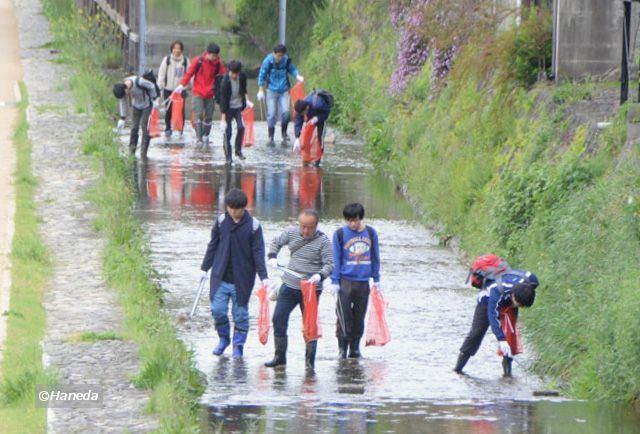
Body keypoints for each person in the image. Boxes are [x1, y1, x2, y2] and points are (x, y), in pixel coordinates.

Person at [200, 188, 269, 358]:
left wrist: (264, 276)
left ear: (243, 208)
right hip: (220, 276)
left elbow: (258, 252)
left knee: (240, 314)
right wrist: (204, 268)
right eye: (229, 208)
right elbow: (213, 245)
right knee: (218, 309)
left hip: (242, 278)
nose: (232, 211)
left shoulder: (253, 226)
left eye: (236, 209)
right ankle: (224, 339)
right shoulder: (221, 221)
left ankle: (238, 345)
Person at [264, 209, 334, 372]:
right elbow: (276, 242)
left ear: (316, 225)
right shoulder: (291, 233)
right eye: (303, 226)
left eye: (310, 227)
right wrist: (272, 256)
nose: (306, 230)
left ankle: (309, 363)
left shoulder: (323, 242)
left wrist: (319, 276)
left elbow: (330, 264)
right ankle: (279, 358)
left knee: (310, 326)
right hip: (289, 285)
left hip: (310, 289)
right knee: (278, 318)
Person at [454, 254, 538, 377]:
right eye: (518, 305)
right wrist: (501, 339)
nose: (518, 308)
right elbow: (493, 317)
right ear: (513, 296)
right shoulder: (495, 290)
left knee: (510, 335)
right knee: (476, 334)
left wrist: (506, 339)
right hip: (487, 303)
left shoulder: (531, 280)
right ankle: (458, 369)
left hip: (509, 297)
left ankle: (507, 375)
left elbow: (525, 293)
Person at [330, 203, 381, 359]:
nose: (352, 224)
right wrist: (335, 280)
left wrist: (376, 279)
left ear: (361, 218)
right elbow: (336, 259)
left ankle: (355, 349)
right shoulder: (339, 234)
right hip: (345, 281)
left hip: (363, 282)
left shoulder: (370, 233)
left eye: (355, 220)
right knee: (343, 316)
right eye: (349, 220)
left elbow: (375, 257)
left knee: (359, 316)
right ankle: (342, 349)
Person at [174, 43, 226, 146]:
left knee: (209, 116)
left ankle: (206, 136)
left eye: (216, 56)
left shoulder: (218, 64)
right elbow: (189, 73)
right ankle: (198, 138)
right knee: (198, 115)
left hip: (211, 93)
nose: (214, 58)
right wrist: (182, 85)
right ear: (208, 53)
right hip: (198, 92)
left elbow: (223, 78)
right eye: (213, 56)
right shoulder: (198, 61)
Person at [257, 44, 303, 146]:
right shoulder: (268, 61)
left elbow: (292, 69)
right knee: (272, 114)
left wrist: (297, 75)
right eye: (278, 56)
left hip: (284, 91)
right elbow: (262, 75)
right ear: (274, 53)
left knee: (286, 113)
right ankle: (271, 136)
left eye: (281, 56)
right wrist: (260, 89)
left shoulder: (286, 60)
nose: (280, 58)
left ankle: (284, 133)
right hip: (271, 91)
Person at [113, 72, 159, 158]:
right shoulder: (123, 89)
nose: (125, 96)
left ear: (126, 89)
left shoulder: (139, 82)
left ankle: (143, 153)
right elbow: (122, 102)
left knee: (145, 128)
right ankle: (132, 152)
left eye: (125, 94)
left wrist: (155, 98)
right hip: (136, 106)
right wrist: (122, 118)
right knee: (134, 128)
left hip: (147, 105)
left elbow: (152, 86)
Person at [158, 40, 190, 139]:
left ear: (181, 49)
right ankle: (168, 129)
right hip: (168, 90)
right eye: (175, 48)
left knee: (181, 110)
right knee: (168, 110)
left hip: (181, 91)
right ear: (172, 49)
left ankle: (180, 130)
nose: (177, 50)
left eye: (179, 48)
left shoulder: (185, 61)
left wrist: (186, 87)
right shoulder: (167, 60)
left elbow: (189, 75)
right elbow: (161, 74)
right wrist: (160, 86)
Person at [219, 60, 249, 163]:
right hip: (228, 108)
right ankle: (228, 156)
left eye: (237, 73)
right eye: (233, 73)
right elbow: (223, 100)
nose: (234, 76)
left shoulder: (242, 77)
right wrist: (223, 118)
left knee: (241, 127)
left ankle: (238, 150)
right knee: (228, 132)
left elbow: (244, 89)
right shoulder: (225, 81)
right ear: (229, 71)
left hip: (238, 107)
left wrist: (247, 100)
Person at [293, 90, 332, 167]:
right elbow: (298, 121)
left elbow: (327, 112)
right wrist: (297, 137)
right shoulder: (301, 108)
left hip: (321, 117)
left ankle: (318, 160)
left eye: (303, 113)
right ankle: (306, 159)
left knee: (320, 137)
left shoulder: (319, 103)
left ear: (306, 108)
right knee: (306, 138)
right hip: (311, 118)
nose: (302, 115)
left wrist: (318, 118)